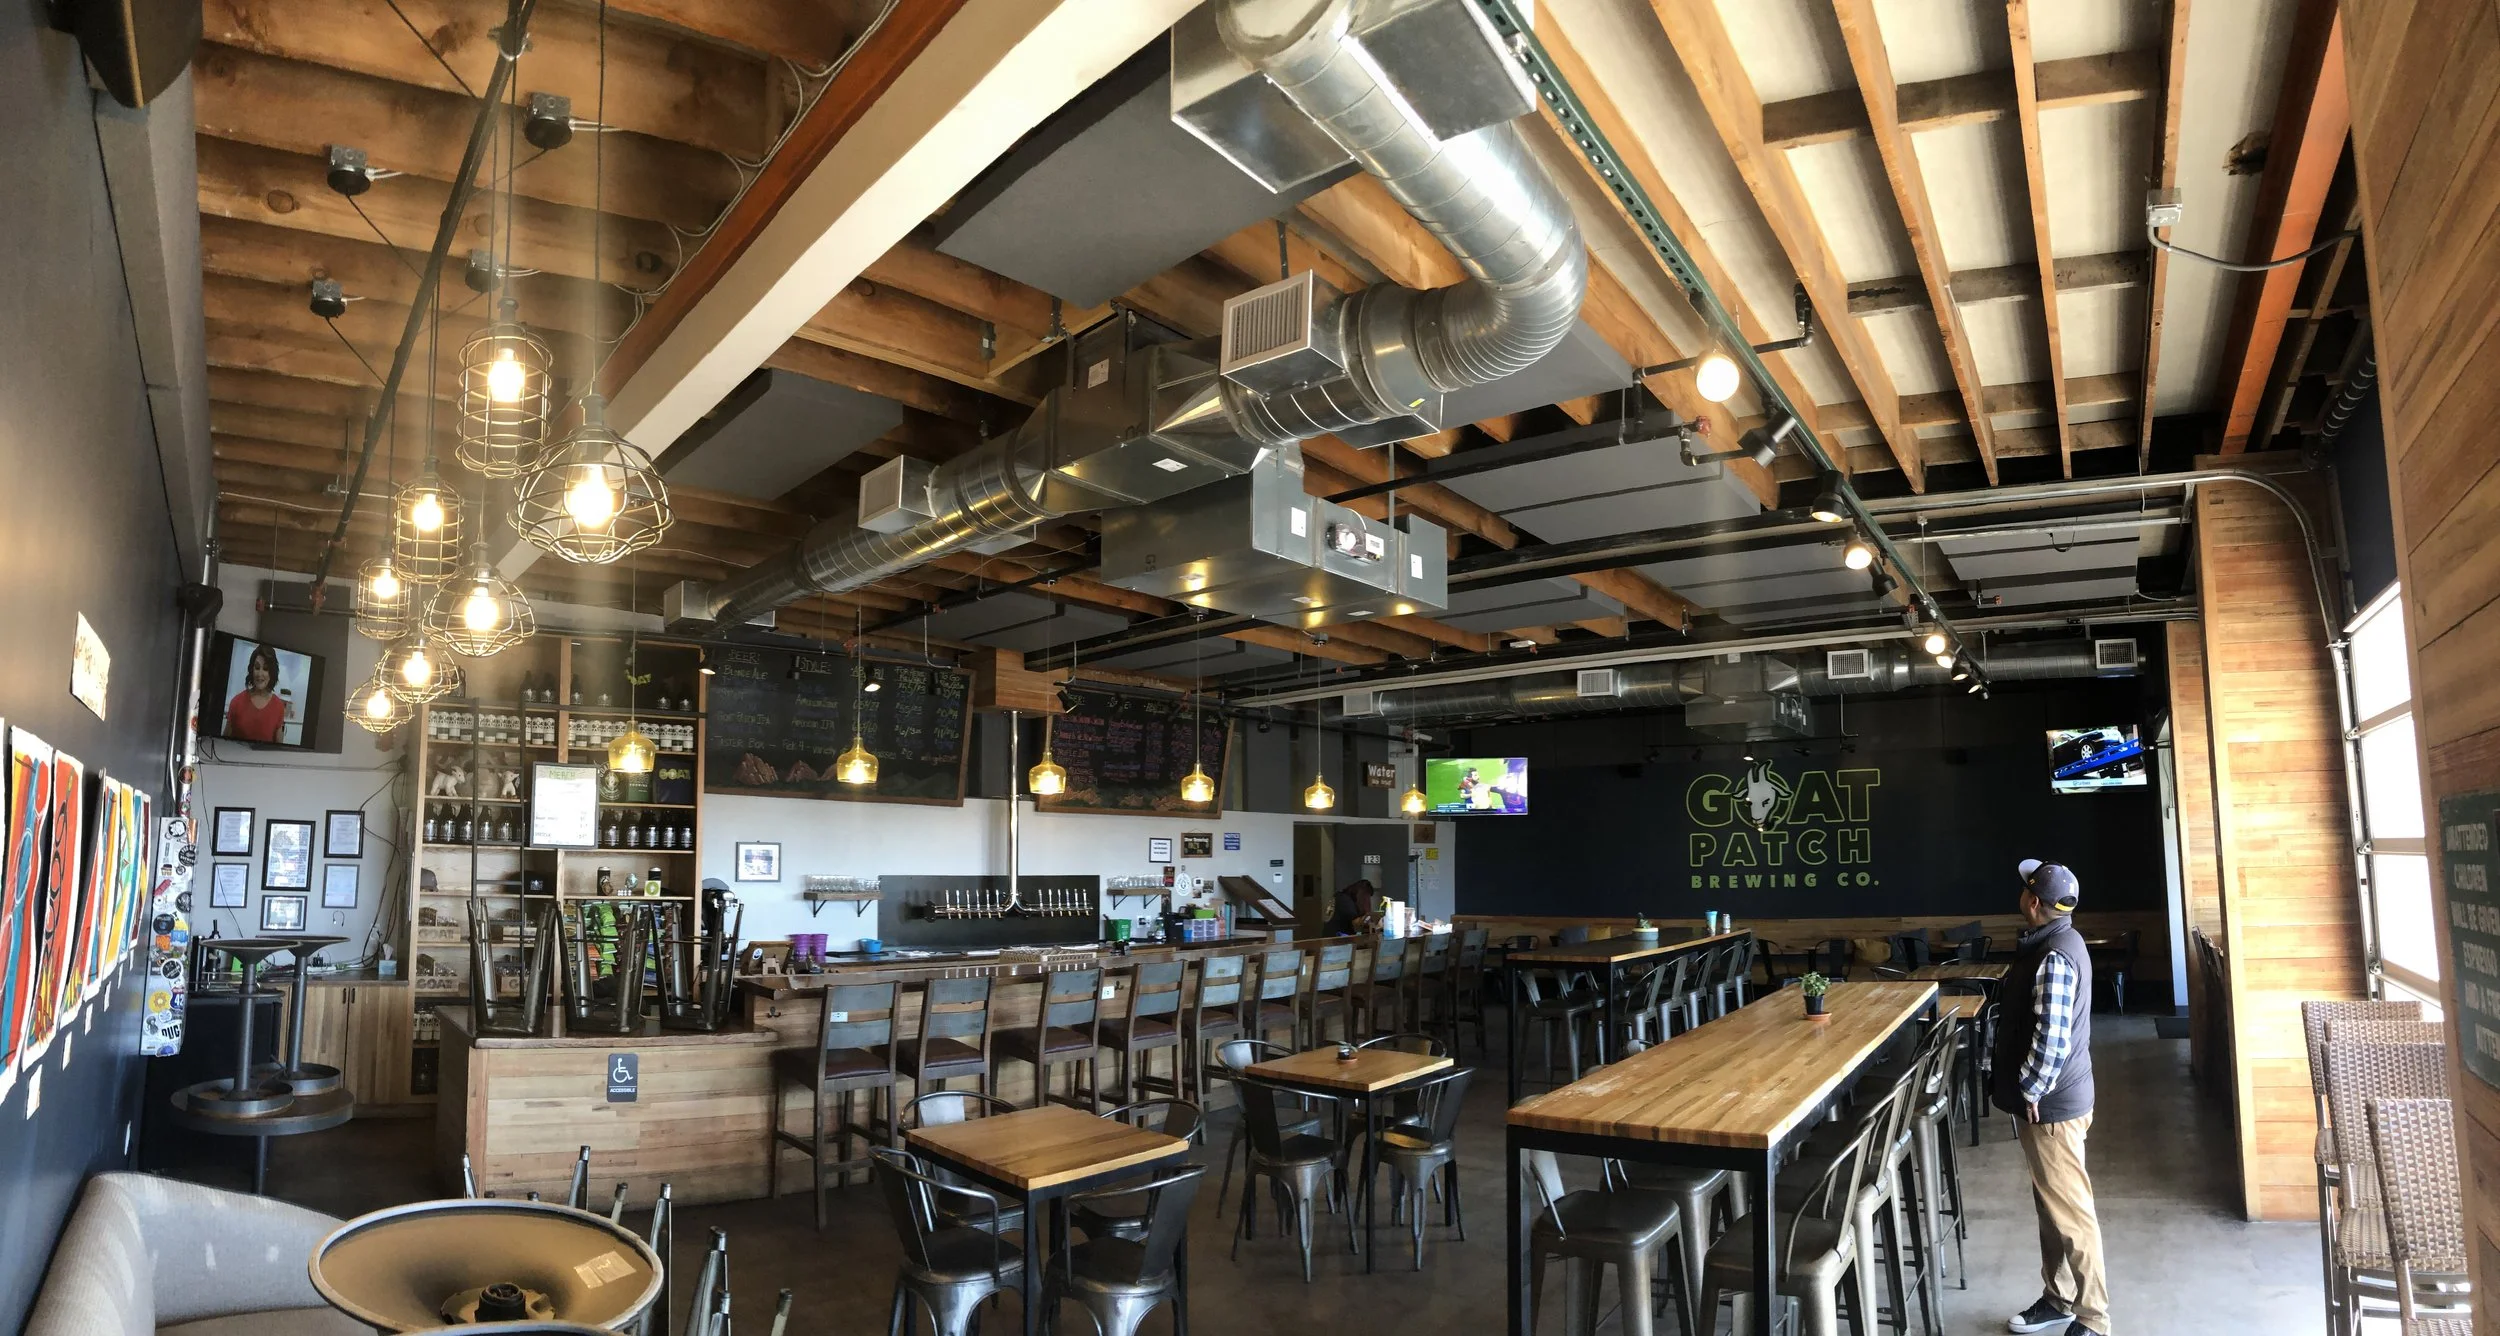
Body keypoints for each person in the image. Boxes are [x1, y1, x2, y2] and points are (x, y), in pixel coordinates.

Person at [1991, 859, 2110, 1336]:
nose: (2021, 894)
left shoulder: (2055, 954)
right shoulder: (2062, 940)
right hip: (2058, 1100)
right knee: (2052, 1207)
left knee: (2072, 1214)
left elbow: (2053, 1035)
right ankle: (2059, 1298)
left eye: (2025, 889)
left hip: (2053, 1106)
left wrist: (2032, 1087)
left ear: (2034, 902)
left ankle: (2095, 1319)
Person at [224, 644, 289, 743]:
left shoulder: (279, 706)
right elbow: (223, 743)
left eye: (266, 669)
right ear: (252, 670)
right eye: (257, 667)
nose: (260, 674)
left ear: (272, 672)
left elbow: (278, 750)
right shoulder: (236, 702)